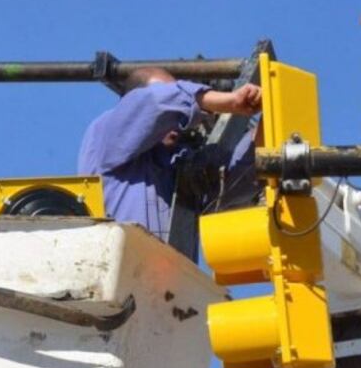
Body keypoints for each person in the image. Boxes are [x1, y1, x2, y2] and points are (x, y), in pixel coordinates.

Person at [77, 68, 262, 244]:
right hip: (115, 272)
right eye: (172, 104)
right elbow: (155, 103)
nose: (176, 117)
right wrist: (225, 101)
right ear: (130, 104)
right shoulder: (106, 132)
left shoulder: (177, 165)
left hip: (165, 275)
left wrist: (269, 119)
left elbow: (232, 180)